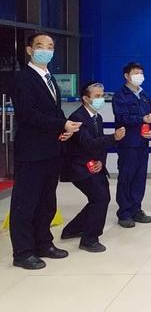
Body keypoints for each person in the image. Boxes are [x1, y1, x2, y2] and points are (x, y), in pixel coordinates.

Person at [9, 33, 81, 270]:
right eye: (40, 46)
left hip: (51, 150)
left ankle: (43, 244)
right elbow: (28, 115)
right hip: (31, 152)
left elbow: (54, 111)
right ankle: (23, 252)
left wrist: (65, 129)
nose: (46, 50)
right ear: (29, 50)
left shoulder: (49, 77)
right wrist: (61, 124)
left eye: (50, 47)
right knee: (25, 203)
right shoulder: (23, 78)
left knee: (47, 201)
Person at [60, 82, 125, 252]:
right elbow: (88, 143)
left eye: (102, 96)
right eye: (97, 96)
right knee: (100, 198)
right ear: (85, 98)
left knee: (99, 197)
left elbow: (99, 145)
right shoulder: (78, 118)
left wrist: (101, 161)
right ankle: (89, 239)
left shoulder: (97, 117)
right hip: (79, 167)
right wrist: (114, 138)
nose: (100, 99)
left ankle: (73, 229)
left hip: (94, 164)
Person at [112, 62, 151, 228]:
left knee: (139, 178)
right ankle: (124, 212)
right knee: (127, 177)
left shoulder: (144, 95)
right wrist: (140, 119)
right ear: (126, 76)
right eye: (136, 73)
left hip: (143, 143)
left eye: (141, 73)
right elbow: (121, 117)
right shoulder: (120, 96)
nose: (139, 76)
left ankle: (136, 209)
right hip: (128, 143)